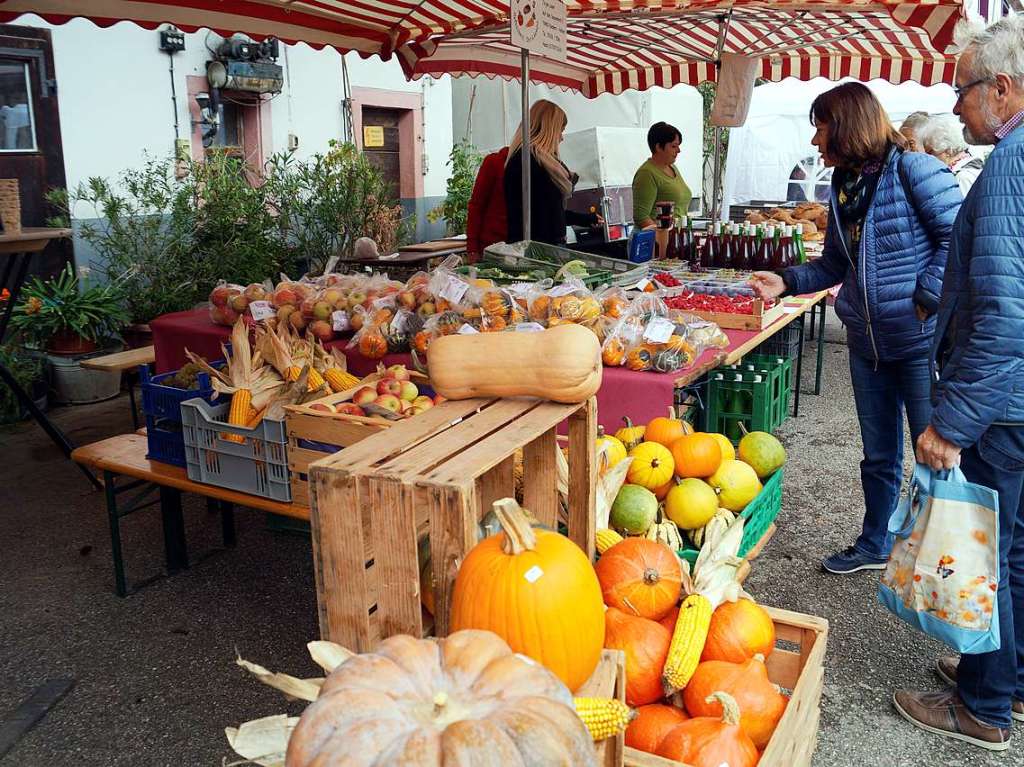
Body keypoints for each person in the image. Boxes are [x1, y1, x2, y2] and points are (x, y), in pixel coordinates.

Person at [749, 82, 962, 575]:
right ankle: (875, 543)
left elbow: (958, 237)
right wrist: (783, 281)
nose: (816, 140)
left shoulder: (915, 169)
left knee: (933, 453)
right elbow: (832, 267)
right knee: (877, 456)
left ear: (846, 124)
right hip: (868, 345)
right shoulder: (843, 188)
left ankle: (947, 559)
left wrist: (926, 299)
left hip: (918, 345)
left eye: (820, 126)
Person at [892, 14, 1024, 751]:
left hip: (1003, 403)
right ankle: (1009, 678)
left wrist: (952, 422)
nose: (957, 103)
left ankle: (982, 704)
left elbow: (1007, 315)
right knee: (1018, 547)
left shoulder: (1009, 164)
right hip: (1017, 401)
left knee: (985, 553)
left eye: (963, 90)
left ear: (1002, 88)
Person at [503, 100, 601, 245]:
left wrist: (586, 219)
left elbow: (550, 211)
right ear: (548, 129)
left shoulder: (533, 160)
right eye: (560, 130)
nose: (562, 137)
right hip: (538, 250)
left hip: (542, 246)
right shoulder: (529, 162)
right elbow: (545, 215)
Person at [632, 121, 693, 227]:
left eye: (678, 146)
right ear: (659, 147)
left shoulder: (672, 167)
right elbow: (641, 217)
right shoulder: (646, 174)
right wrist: (662, 236)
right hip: (656, 240)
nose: (679, 150)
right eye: (674, 146)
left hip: (676, 236)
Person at [919, 113, 985, 194]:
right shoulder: (971, 167)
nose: (927, 157)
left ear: (948, 151)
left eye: (930, 152)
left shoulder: (963, 177)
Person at [465, 145, 509, 262]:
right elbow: (476, 206)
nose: (561, 138)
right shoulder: (495, 162)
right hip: (492, 247)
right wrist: (472, 248)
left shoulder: (543, 164)